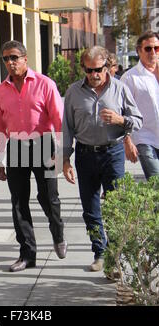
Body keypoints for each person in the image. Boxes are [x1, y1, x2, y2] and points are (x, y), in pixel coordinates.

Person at [63, 46, 142, 272]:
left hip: (113, 153)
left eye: (98, 69)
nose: (93, 75)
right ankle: (100, 252)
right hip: (85, 154)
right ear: (83, 69)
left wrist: (120, 119)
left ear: (107, 67)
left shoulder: (120, 89)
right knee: (90, 209)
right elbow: (67, 127)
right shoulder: (73, 92)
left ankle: (115, 257)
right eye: (88, 70)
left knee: (116, 206)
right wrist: (65, 160)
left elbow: (138, 119)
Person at [0, 40, 67, 272]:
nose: (10, 63)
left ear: (25, 59)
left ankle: (58, 233)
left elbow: (59, 120)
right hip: (15, 147)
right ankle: (27, 254)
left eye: (14, 57)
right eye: (6, 59)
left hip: (43, 144)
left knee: (48, 198)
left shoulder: (45, 84)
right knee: (18, 202)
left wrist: (63, 154)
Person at [121, 30, 159, 180]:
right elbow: (123, 111)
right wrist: (127, 140)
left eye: (156, 48)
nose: (153, 52)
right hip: (145, 138)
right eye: (148, 48)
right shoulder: (130, 78)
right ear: (139, 50)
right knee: (156, 182)